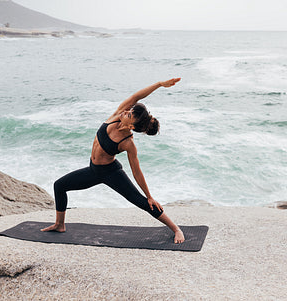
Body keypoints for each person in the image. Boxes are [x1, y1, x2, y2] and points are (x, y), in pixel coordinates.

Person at [41, 78, 185, 244]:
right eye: (128, 111)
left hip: (111, 173)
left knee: (141, 201)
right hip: (93, 171)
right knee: (59, 185)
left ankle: (176, 228)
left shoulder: (128, 143)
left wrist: (150, 196)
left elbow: (137, 172)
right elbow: (136, 97)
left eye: (129, 115)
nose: (126, 112)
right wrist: (159, 84)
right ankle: (60, 225)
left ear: (131, 126)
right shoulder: (118, 114)